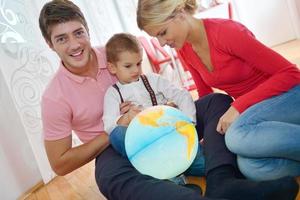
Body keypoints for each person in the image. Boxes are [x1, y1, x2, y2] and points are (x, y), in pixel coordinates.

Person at [39, 0, 298, 200]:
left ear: (87, 30)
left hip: (163, 123)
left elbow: (166, 88)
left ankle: (221, 180)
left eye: (78, 33)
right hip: (115, 146)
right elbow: (60, 163)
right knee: (109, 178)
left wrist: (165, 110)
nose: (74, 44)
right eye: (62, 39)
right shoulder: (55, 97)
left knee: (217, 104)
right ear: (50, 45)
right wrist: (121, 126)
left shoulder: (116, 52)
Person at [136, 0, 300, 182]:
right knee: (250, 168)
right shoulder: (184, 49)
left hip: (288, 96)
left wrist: (239, 106)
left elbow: (291, 73)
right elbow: (207, 96)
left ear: (180, 12)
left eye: (163, 33)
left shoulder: (226, 33)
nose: (162, 43)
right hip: (258, 111)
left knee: (236, 137)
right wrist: (209, 135)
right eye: (156, 38)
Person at [103, 33, 205, 184]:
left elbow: (182, 95)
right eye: (128, 66)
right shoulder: (113, 94)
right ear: (112, 67)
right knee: (117, 135)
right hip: (148, 149)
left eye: (139, 63)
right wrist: (126, 117)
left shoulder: (153, 80)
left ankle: (189, 171)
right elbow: (109, 126)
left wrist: (189, 123)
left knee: (205, 165)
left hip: (172, 138)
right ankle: (170, 180)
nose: (135, 70)